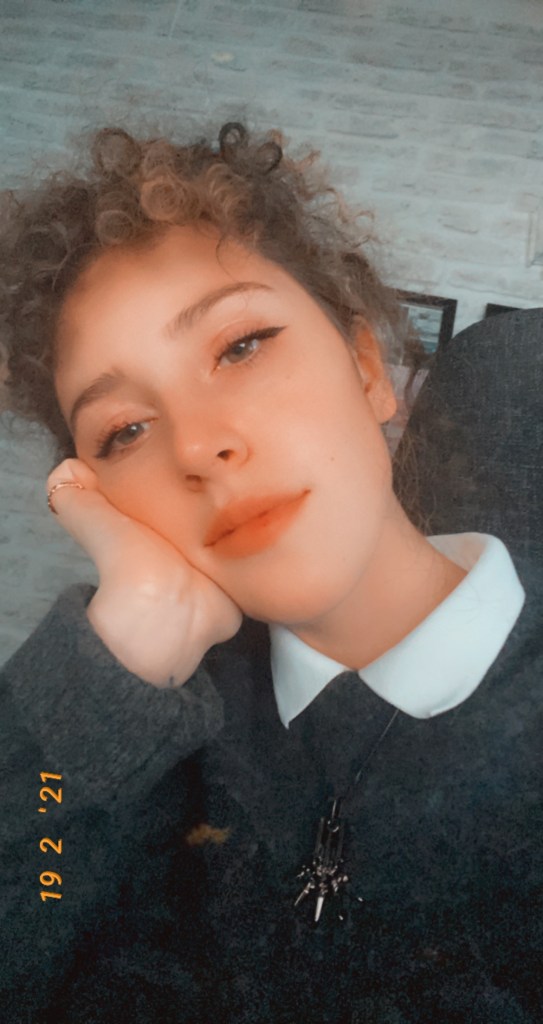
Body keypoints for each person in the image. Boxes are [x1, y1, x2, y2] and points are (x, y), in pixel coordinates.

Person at [0, 121, 540, 1024]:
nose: (196, 447)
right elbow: (35, 901)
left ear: (366, 368)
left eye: (240, 346)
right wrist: (101, 683)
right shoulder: (140, 749)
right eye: (125, 430)